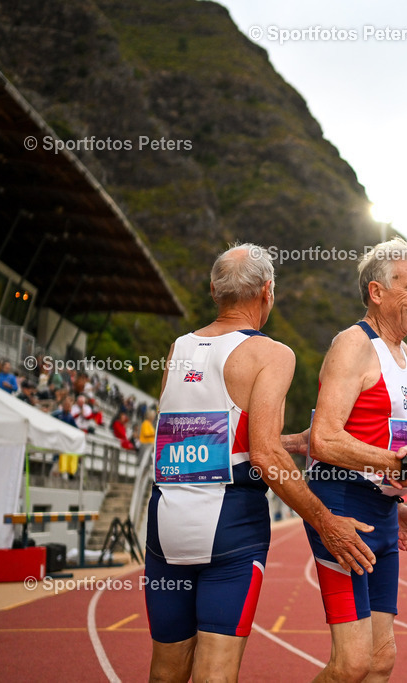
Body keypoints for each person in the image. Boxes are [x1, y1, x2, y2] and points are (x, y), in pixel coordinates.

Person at [144, 243, 377, 683]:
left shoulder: (178, 350)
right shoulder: (271, 354)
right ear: (267, 291)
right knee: (216, 672)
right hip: (230, 527)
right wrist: (325, 520)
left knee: (166, 670)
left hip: (165, 525)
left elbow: (203, 436)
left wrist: (291, 441)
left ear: (214, 289)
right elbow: (264, 455)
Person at [285, 237, 407, 683]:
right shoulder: (353, 344)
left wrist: (395, 498)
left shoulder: (403, 354)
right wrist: (399, 468)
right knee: (351, 663)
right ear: (377, 292)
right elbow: (325, 438)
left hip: (382, 513)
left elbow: (376, 432)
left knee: (380, 662)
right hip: (342, 505)